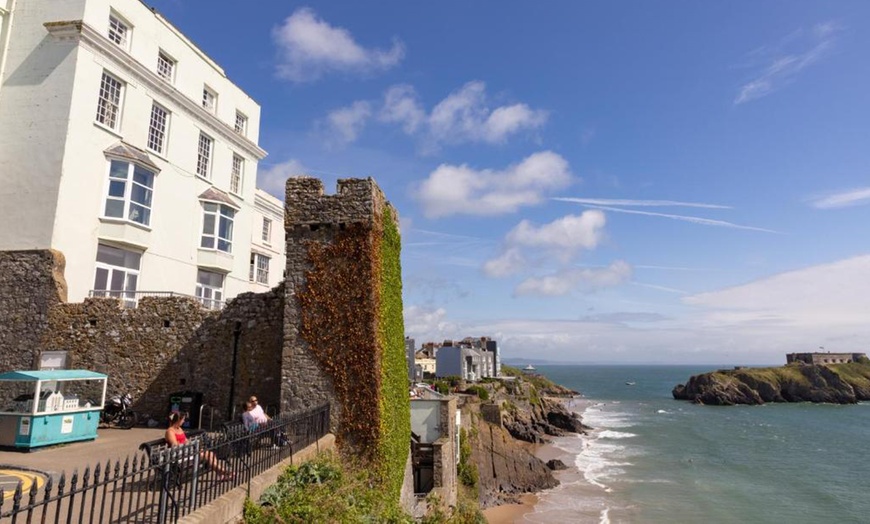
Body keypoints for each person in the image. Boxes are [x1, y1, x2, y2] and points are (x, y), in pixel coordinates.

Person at [165, 411, 234, 480]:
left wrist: (189, 443)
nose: (184, 421)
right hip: (180, 456)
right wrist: (186, 444)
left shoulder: (179, 429)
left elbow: (185, 440)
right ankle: (224, 472)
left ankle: (221, 473)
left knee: (210, 454)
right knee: (205, 455)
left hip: (187, 451)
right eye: (182, 419)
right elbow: (175, 445)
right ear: (178, 420)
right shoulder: (170, 431)